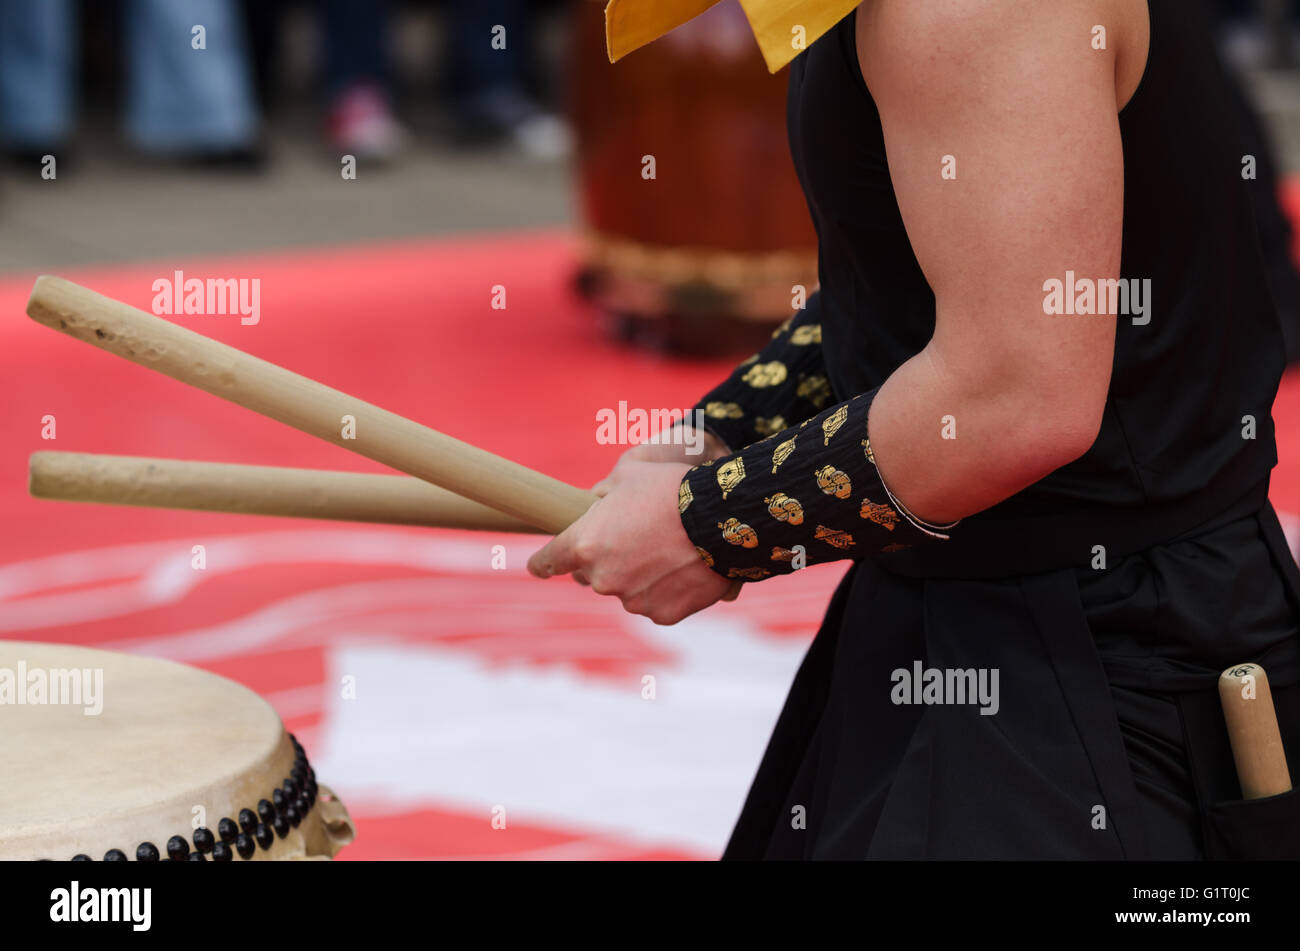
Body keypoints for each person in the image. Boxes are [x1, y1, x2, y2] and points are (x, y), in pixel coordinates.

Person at [528, 0, 1300, 859]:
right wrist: (719, 434)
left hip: (1087, 686)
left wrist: (713, 523)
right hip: (990, 630)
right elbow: (913, 279)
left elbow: (1014, 395)